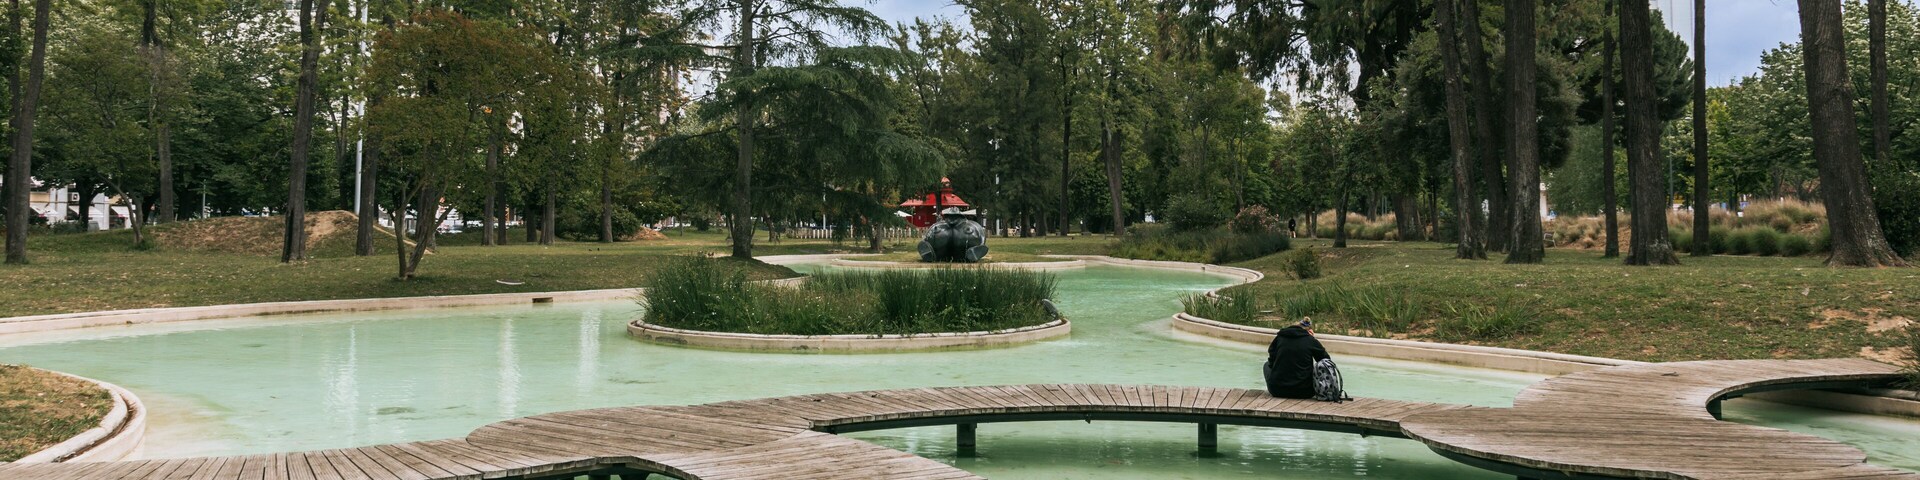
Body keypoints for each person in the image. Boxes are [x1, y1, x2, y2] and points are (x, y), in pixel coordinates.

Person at [1264, 319, 1330, 399]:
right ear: (1310, 331)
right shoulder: (1310, 340)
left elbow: (1271, 362)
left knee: (1266, 365)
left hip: (1277, 390)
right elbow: (1326, 361)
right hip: (1305, 392)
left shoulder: (1280, 338)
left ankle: (1277, 383)